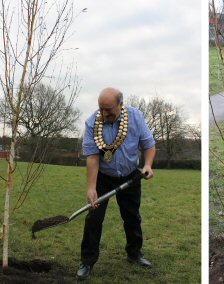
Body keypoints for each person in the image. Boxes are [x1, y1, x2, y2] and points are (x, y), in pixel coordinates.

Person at [77, 87, 156, 280]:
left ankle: (134, 253)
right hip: (104, 176)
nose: (104, 114)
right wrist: (91, 188)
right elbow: (93, 157)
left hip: (130, 175)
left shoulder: (135, 117)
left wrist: (147, 164)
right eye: (101, 109)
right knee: (94, 218)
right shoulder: (91, 123)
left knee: (132, 217)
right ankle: (87, 261)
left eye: (109, 110)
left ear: (121, 104)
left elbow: (148, 144)